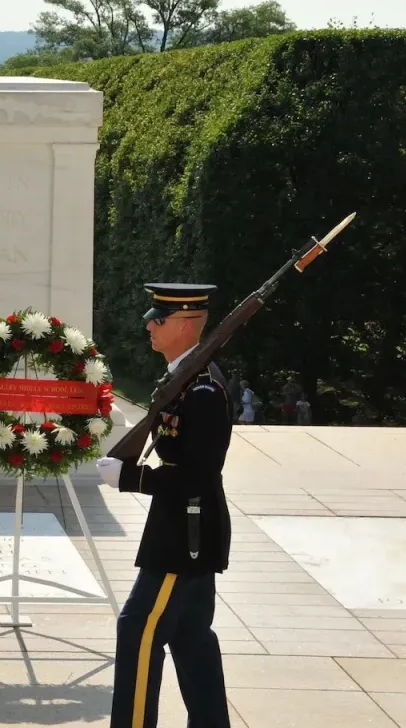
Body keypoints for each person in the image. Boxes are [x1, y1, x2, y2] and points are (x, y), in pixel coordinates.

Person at [95, 282, 233, 728]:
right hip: (185, 529)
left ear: (188, 324)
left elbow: (197, 474)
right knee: (191, 637)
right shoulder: (184, 378)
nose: (150, 325)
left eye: (160, 319)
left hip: (184, 536)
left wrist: (131, 477)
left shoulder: (202, 391)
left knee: (137, 631)